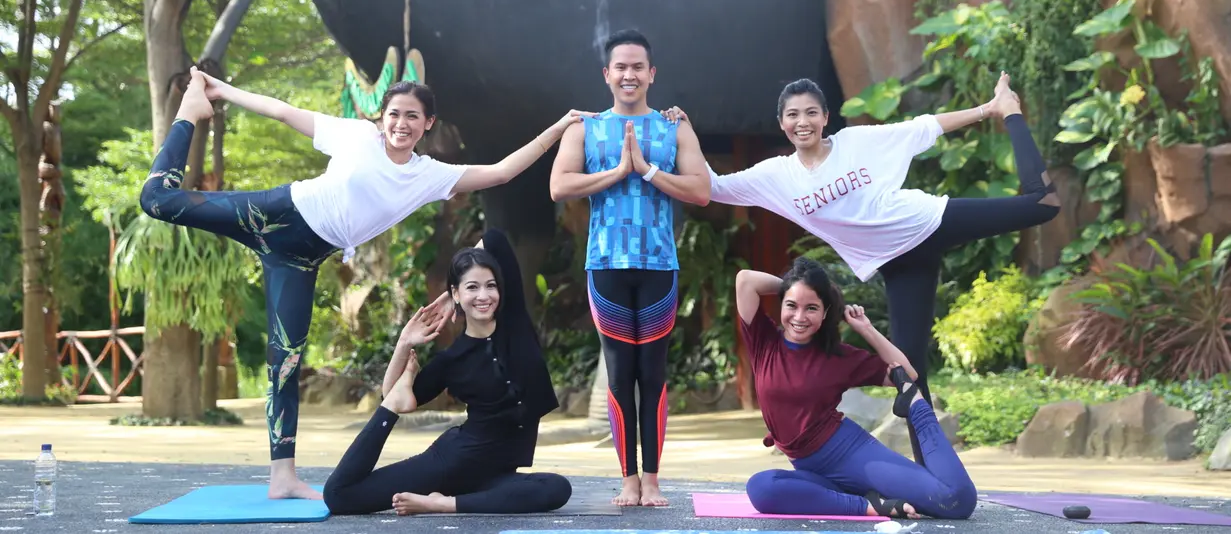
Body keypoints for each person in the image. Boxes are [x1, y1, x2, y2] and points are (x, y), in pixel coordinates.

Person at [139, 67, 593, 500]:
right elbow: (282, 111)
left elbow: (503, 171)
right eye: (394, 114)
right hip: (276, 214)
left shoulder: (430, 175)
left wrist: (559, 128)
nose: (401, 123)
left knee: (286, 360)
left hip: (300, 259)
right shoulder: (356, 136)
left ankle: (282, 477)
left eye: (412, 116)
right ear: (382, 117)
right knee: (157, 199)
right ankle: (189, 111)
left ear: (428, 124)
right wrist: (221, 91)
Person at [668, 71, 1059, 463]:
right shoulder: (776, 176)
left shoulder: (856, 142)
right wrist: (685, 131)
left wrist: (989, 109)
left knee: (1043, 204)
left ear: (825, 118)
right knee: (909, 374)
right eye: (793, 115)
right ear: (782, 123)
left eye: (811, 113)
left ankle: (1009, 109)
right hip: (899, 264)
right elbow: (711, 187)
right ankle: (934, 478)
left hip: (928, 221)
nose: (802, 121)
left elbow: (923, 128)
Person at [548, 29, 710, 506]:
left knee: (653, 373)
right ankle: (628, 479)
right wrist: (618, 172)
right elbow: (559, 186)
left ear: (651, 73)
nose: (629, 74)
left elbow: (701, 190)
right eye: (621, 66)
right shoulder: (585, 128)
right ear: (607, 74)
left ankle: (653, 480)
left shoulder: (675, 127)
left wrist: (648, 170)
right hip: (606, 264)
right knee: (620, 374)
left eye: (638, 66)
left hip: (659, 264)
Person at [322, 228, 572, 516]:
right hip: (450, 464)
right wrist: (404, 343)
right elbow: (394, 395)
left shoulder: (516, 323)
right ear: (457, 292)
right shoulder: (452, 360)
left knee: (557, 488)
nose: (483, 296)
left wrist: (447, 297)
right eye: (471, 288)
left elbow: (495, 238)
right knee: (340, 496)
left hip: (496, 477)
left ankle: (442, 503)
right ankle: (452, 500)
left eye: (490, 286)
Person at [736, 258, 977, 520]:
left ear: (825, 312)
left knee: (956, 501)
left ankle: (916, 407)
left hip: (853, 456)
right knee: (762, 488)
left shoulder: (837, 357)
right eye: (791, 305)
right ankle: (869, 506)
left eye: (812, 308)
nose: (799, 317)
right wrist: (796, 285)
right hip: (811, 470)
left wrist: (866, 329)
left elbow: (907, 375)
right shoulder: (764, 342)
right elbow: (745, 280)